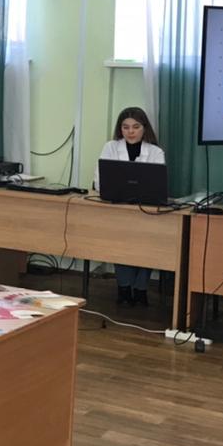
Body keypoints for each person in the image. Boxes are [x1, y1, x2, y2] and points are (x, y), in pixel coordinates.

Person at [98, 107, 165, 307]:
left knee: (148, 242)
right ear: (120, 129)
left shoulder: (155, 152)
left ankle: (141, 288)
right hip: (118, 210)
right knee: (120, 240)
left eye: (136, 127)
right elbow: (99, 181)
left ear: (144, 128)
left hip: (147, 212)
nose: (131, 132)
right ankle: (124, 288)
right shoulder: (110, 147)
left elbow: (158, 185)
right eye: (125, 127)